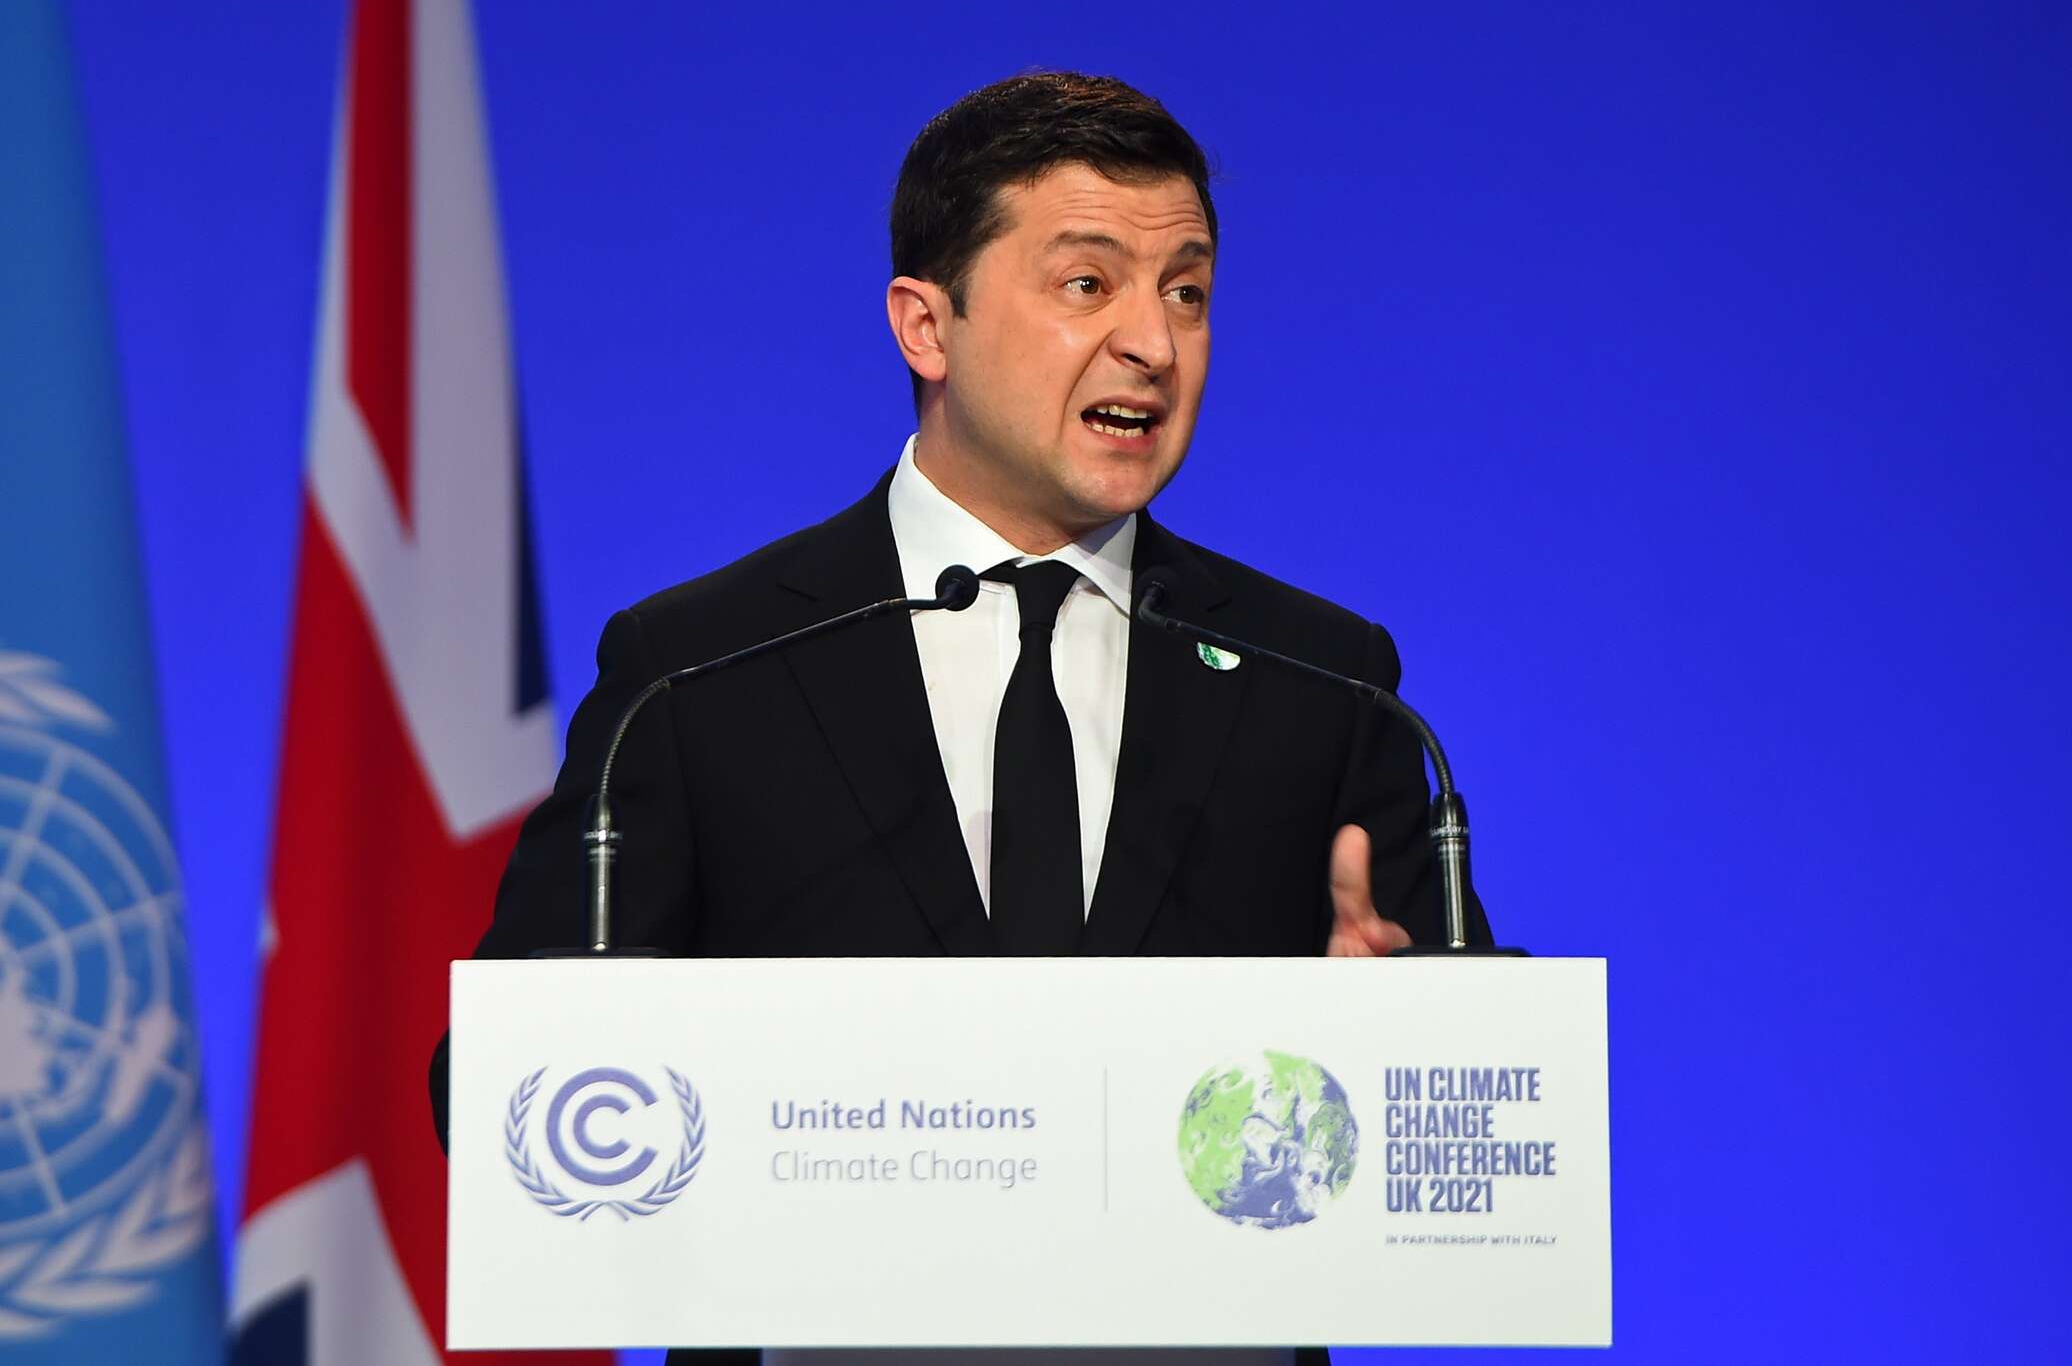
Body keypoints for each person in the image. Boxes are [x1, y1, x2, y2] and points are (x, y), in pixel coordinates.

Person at [437, 71, 1493, 1366]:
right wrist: (622, 1058)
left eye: (1187, 293)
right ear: (926, 326)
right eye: (1088, 283)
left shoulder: (1318, 676)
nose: (1155, 345)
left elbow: (1466, 1114)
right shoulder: (699, 667)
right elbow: (487, 1090)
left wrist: (1401, 1044)